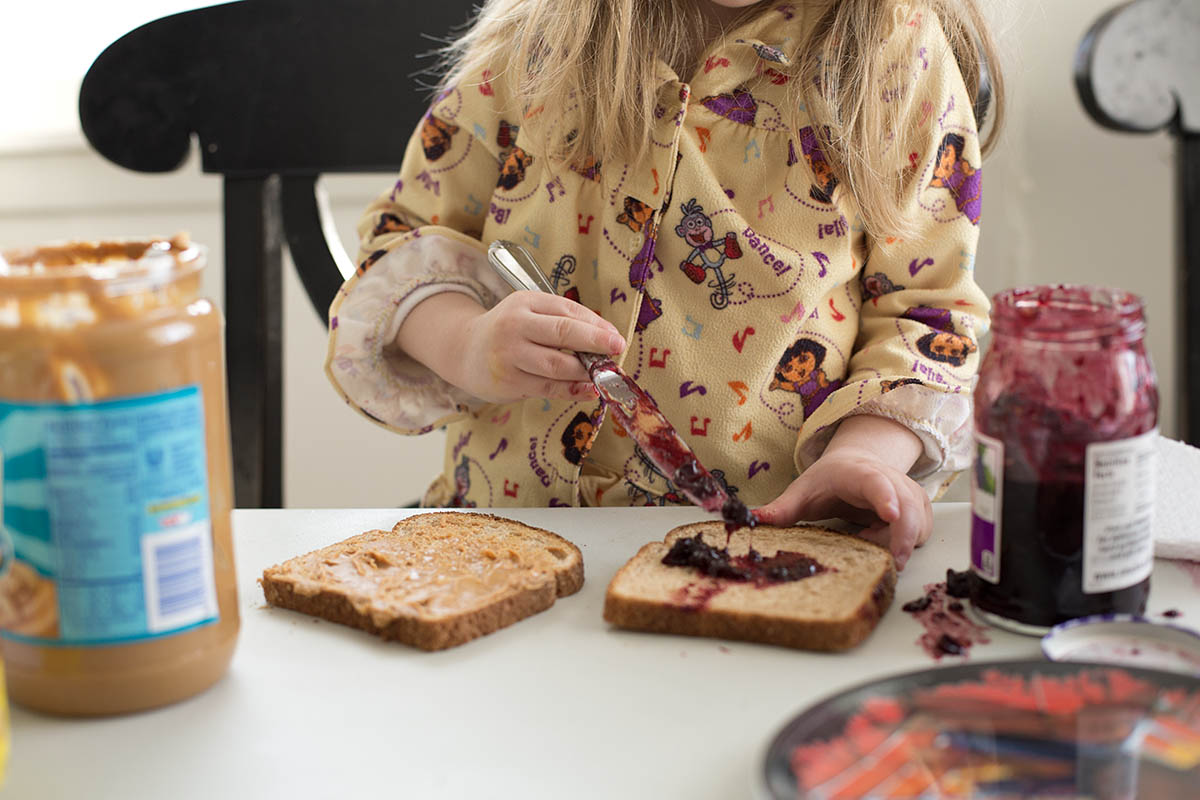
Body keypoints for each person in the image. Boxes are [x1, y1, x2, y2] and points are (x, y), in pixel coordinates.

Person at [325, 0, 1005, 569]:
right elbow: (400, 247)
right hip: (502, 535)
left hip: (767, 552)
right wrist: (468, 345)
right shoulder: (535, 39)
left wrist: (867, 458)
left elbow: (930, 318)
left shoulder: (894, 56)